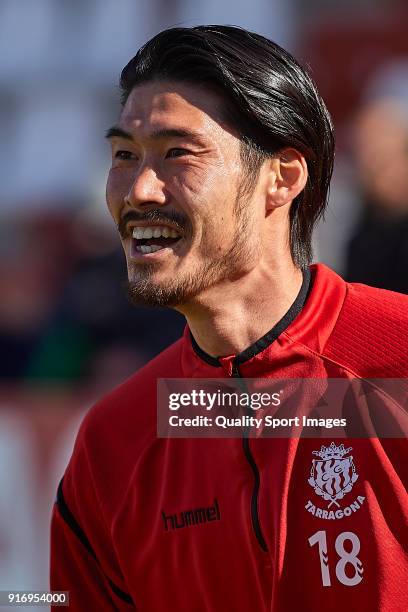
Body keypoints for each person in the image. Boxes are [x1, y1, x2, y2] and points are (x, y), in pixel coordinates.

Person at [50, 26, 408, 611]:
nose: (140, 189)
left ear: (283, 176)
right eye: (123, 155)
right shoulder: (114, 442)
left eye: (177, 153)